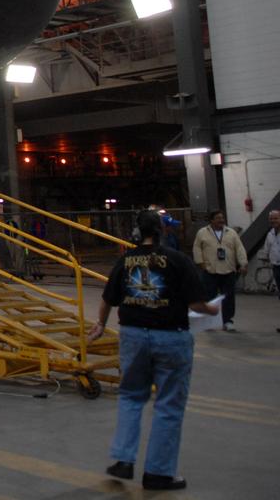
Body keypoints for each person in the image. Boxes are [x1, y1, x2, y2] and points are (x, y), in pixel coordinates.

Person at [90, 210, 218, 491]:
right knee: (168, 404)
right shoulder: (177, 260)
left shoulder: (125, 260)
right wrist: (213, 309)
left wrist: (100, 324)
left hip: (133, 336)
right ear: (161, 230)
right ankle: (159, 473)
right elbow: (197, 305)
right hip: (170, 338)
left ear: (137, 231)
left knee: (130, 397)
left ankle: (123, 459)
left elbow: (108, 298)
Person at [191, 211, 248, 332]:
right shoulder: (202, 232)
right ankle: (208, 322)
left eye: (222, 218)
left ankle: (227, 321)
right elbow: (196, 248)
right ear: (211, 220)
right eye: (218, 218)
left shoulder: (231, 233)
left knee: (228, 297)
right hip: (210, 270)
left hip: (228, 270)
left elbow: (239, 248)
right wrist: (201, 263)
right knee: (209, 297)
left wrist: (243, 264)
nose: (221, 220)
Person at [261, 210, 280, 333]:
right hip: (277, 267)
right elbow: (266, 250)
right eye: (271, 219)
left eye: (276, 218)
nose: (273, 221)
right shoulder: (270, 234)